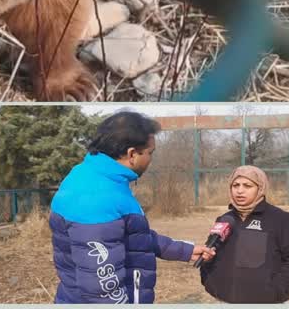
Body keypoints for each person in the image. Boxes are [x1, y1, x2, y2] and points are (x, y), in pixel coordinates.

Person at [49, 111, 215, 304]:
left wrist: (183, 250)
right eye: (150, 153)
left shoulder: (94, 176)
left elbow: (132, 235)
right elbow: (101, 288)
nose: (150, 159)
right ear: (132, 154)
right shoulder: (97, 198)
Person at [200, 165, 289, 303]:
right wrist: (210, 281)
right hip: (224, 300)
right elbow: (209, 252)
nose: (240, 191)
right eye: (235, 185)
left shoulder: (280, 219)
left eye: (247, 186)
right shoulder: (224, 220)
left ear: (260, 188)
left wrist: (275, 289)